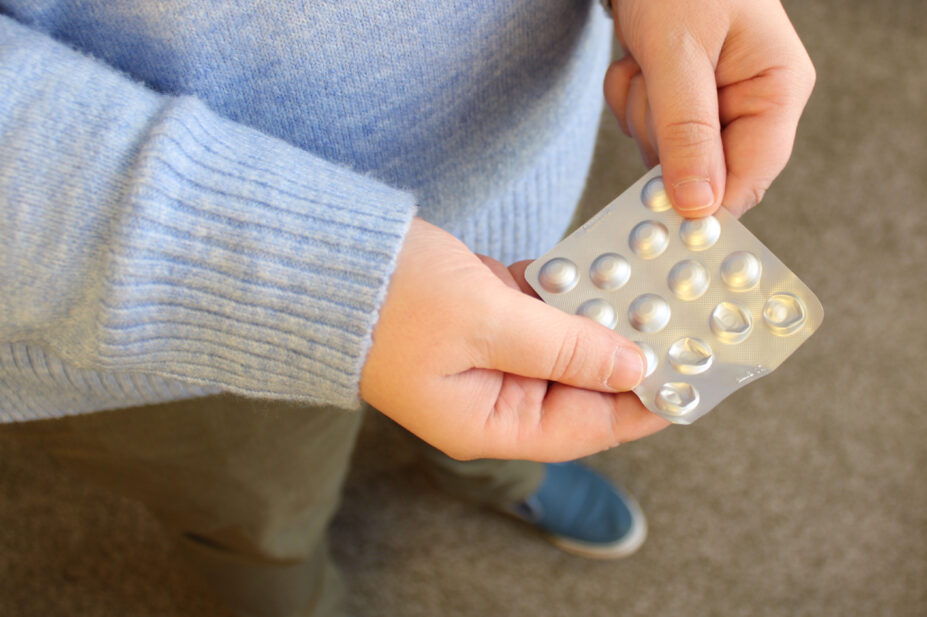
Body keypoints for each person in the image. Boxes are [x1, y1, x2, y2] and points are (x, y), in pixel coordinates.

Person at [0, 1, 815, 616]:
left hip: (508, 186)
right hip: (152, 307)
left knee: (526, 388)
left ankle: (501, 466)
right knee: (255, 511)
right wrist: (325, 280)